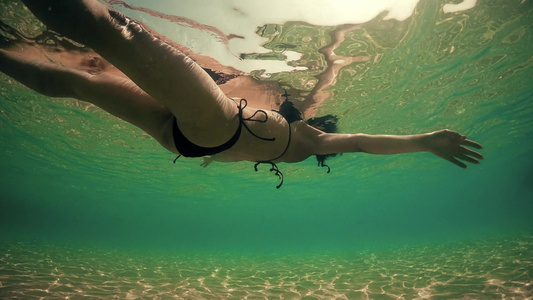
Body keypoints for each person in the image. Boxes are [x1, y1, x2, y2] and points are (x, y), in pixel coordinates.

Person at [0, 0, 483, 188]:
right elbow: (357, 143)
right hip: (188, 139)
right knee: (81, 81)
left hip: (213, 124)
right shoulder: (295, 143)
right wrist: (425, 141)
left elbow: (359, 142)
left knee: (119, 34)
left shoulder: (309, 140)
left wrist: (425, 139)